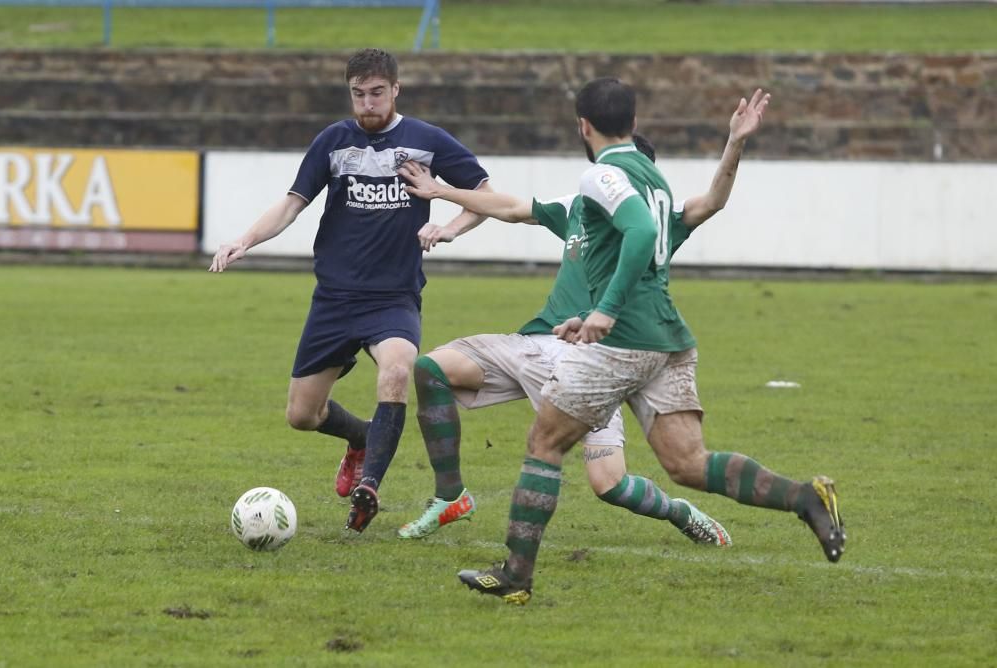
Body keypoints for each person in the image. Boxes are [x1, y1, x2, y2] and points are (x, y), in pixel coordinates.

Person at [455, 81, 845, 605]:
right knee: (687, 463)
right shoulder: (652, 176)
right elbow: (701, 208)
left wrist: (606, 311)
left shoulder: (601, 175)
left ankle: (516, 576)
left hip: (624, 341)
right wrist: (735, 142)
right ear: (634, 124)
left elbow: (638, 233)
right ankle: (806, 499)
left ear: (583, 126)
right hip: (666, 337)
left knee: (544, 445)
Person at [393, 135, 730, 548]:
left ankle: (679, 512)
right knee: (432, 369)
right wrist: (440, 192)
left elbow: (713, 201)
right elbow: (512, 208)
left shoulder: (658, 223)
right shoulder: (579, 206)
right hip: (532, 343)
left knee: (611, 485)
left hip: (591, 363)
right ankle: (451, 497)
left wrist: (736, 141)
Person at [209, 48, 491, 533]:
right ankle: (361, 437)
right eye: (358, 94)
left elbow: (485, 196)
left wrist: (448, 228)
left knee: (399, 370)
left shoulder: (426, 141)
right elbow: (292, 204)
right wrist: (244, 240)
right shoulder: (334, 142)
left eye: (376, 93)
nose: (366, 103)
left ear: (396, 89)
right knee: (302, 414)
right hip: (335, 299)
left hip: (393, 298)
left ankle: (370, 487)